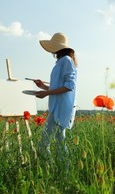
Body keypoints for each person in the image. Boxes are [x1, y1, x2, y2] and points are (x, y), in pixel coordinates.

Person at [33, 32, 78, 162]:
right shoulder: (61, 62)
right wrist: (43, 87)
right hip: (58, 106)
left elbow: (69, 86)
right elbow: (59, 87)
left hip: (62, 106)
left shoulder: (66, 61)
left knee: (45, 141)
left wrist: (46, 93)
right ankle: (62, 171)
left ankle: (49, 167)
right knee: (59, 140)